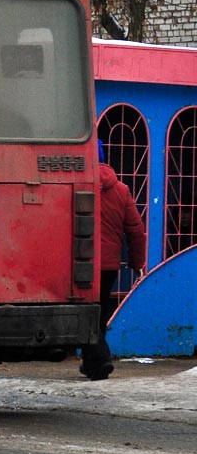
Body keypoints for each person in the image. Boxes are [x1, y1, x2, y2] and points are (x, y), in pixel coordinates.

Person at [81, 139, 147, 381]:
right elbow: (136, 229)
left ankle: (100, 360)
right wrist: (136, 262)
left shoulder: (78, 185)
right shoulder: (121, 190)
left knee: (87, 312)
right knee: (98, 310)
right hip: (108, 265)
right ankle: (92, 364)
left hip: (78, 261)